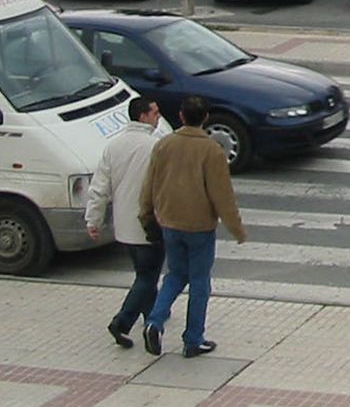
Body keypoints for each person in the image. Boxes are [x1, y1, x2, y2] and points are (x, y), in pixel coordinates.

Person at [139, 95, 248, 358]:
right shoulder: (211, 151)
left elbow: (149, 185)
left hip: (169, 222)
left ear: (181, 116)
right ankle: (193, 339)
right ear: (206, 118)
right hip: (199, 226)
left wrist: (146, 216)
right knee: (199, 281)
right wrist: (236, 229)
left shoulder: (164, 145)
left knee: (175, 275)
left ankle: (154, 322)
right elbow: (222, 195)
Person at [84, 96, 164, 348]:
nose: (158, 117)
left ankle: (152, 315)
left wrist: (93, 220)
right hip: (148, 223)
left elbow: (99, 189)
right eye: (155, 113)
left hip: (124, 226)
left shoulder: (113, 146)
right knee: (148, 276)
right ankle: (122, 321)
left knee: (143, 273)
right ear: (142, 116)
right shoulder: (155, 146)